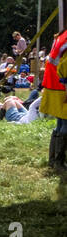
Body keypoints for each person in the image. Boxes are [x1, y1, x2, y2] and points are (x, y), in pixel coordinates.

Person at [40, 25, 67, 170]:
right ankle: (59, 161)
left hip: (54, 84)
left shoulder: (62, 36)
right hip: (61, 86)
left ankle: (53, 160)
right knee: (65, 124)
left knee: (60, 123)